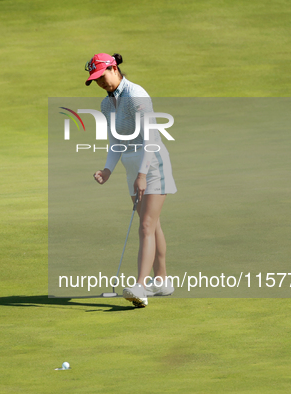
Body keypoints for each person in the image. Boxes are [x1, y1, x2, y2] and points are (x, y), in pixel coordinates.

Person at [86, 53, 177, 308]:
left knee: (146, 226)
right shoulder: (106, 105)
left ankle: (140, 286)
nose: (100, 83)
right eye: (95, 80)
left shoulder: (136, 94)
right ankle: (162, 281)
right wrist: (107, 170)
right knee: (152, 225)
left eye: (102, 77)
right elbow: (115, 141)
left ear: (114, 68)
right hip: (130, 164)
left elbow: (149, 138)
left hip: (153, 163)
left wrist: (142, 174)